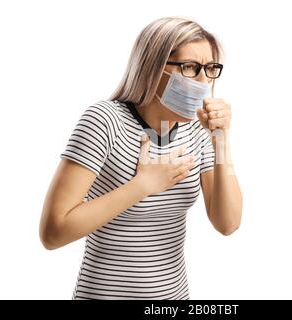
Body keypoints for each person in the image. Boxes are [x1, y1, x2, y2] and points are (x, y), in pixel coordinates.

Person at [39, 16, 243, 300]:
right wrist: (142, 186)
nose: (203, 81)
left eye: (210, 69)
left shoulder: (197, 128)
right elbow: (53, 233)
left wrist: (221, 138)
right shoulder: (104, 121)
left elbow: (228, 223)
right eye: (189, 67)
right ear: (152, 67)